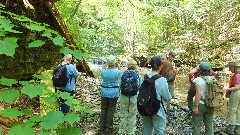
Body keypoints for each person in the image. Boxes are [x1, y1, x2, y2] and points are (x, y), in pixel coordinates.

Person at [142, 56, 171, 135]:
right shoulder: (162, 80)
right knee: (159, 131)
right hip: (158, 110)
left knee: (146, 130)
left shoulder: (145, 76)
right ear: (160, 66)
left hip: (145, 107)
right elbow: (167, 97)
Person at [98, 55, 123, 135]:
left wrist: (105, 64)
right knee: (111, 110)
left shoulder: (104, 71)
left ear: (108, 63)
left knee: (103, 109)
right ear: (114, 62)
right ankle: (109, 128)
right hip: (114, 92)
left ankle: (101, 127)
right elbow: (122, 73)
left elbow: (102, 69)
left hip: (104, 92)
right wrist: (118, 65)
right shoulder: (117, 72)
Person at [118, 59, 142, 135]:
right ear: (135, 66)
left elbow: (120, 85)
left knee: (123, 113)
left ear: (127, 66)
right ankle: (131, 131)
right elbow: (140, 87)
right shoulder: (138, 75)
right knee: (132, 114)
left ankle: (122, 130)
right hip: (134, 96)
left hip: (124, 96)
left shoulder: (122, 74)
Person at [192, 62, 214, 135]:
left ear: (200, 71)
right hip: (211, 104)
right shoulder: (213, 79)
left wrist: (195, 106)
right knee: (209, 125)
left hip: (201, 105)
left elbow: (198, 93)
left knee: (196, 125)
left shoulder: (197, 80)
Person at [224, 61, 240, 135]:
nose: (230, 69)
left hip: (237, 93)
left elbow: (237, 88)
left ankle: (231, 129)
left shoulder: (237, 75)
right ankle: (237, 129)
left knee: (232, 110)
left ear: (234, 67)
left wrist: (226, 89)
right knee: (238, 110)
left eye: (230, 67)